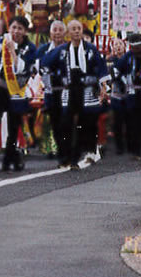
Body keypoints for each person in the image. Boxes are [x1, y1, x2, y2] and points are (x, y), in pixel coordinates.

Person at [43, 19, 109, 169]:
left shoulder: (91, 49)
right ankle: (65, 157)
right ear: (68, 32)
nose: (77, 31)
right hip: (68, 90)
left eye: (79, 28)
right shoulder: (62, 51)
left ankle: (76, 157)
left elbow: (101, 68)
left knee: (84, 124)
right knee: (66, 124)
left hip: (86, 89)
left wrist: (103, 87)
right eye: (73, 29)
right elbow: (46, 63)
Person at [0, 16, 36, 174]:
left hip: (17, 90)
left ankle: (8, 159)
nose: (16, 31)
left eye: (20, 28)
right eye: (14, 27)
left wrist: (13, 52)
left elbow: (23, 69)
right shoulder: (2, 41)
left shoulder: (30, 48)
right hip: (0, 87)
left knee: (13, 128)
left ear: (25, 31)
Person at [34, 20, 66, 165]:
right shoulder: (43, 50)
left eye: (60, 30)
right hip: (50, 92)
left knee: (66, 121)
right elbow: (39, 69)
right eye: (55, 30)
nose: (58, 33)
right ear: (50, 33)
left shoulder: (70, 48)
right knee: (55, 122)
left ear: (65, 33)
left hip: (67, 92)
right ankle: (60, 150)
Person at [108, 37, 128, 155]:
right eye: (115, 44)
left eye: (120, 44)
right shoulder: (110, 61)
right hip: (116, 95)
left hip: (129, 94)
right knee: (118, 121)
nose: (118, 46)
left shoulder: (130, 59)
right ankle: (119, 145)